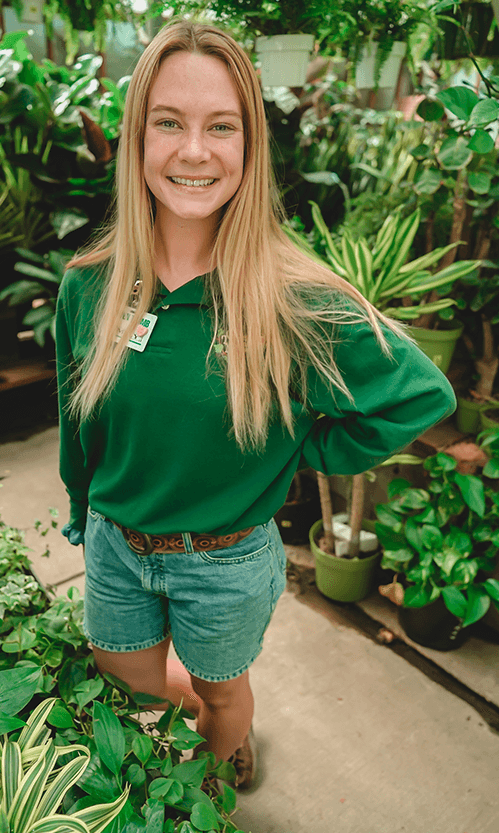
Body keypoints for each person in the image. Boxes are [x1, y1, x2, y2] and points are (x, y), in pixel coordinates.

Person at [56, 20, 456, 791]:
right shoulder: (90, 284)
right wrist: (80, 503)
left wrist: (298, 447)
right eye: (168, 122)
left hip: (227, 561)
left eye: (221, 127)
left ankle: (210, 768)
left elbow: (419, 395)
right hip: (115, 545)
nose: (194, 150)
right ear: (136, 138)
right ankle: (199, 733)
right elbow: (81, 420)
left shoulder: (293, 297)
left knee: (221, 693)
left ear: (249, 146)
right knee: (131, 688)